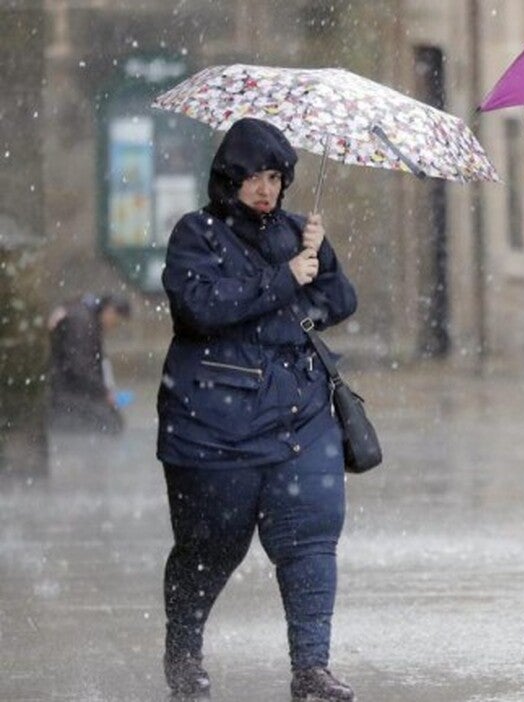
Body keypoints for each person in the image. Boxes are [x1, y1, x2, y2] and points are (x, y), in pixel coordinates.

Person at [156, 118, 358, 701]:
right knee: (210, 547)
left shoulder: (297, 233)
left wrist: (319, 259)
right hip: (214, 424)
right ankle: (184, 651)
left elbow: (340, 300)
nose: (265, 189)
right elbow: (200, 307)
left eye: (274, 177)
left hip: (300, 415)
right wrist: (283, 280)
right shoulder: (195, 234)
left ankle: (312, 668)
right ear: (228, 179)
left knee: (311, 538)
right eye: (252, 178)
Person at [46, 292, 131, 434]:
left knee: (112, 420)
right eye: (116, 323)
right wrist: (103, 392)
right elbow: (80, 367)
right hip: (66, 394)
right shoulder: (82, 323)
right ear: (110, 311)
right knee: (111, 424)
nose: (113, 328)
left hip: (72, 390)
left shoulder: (86, 318)